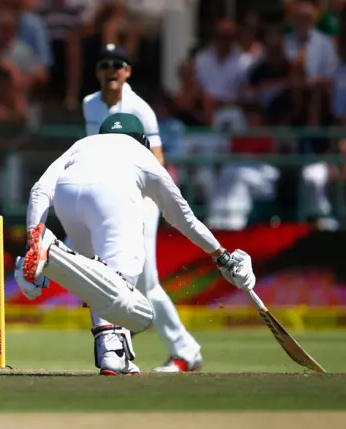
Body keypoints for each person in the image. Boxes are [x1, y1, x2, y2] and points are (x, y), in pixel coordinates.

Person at [14, 113, 256, 375]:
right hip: (110, 197)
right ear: (142, 141)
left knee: (97, 280)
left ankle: (114, 353)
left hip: (66, 196)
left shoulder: (83, 145)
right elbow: (184, 218)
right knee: (129, 295)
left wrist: (33, 236)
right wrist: (221, 255)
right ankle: (54, 253)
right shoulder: (143, 155)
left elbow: (39, 190)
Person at [79, 44, 203, 373]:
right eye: (105, 64)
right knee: (111, 274)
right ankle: (125, 352)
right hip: (106, 199)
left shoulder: (140, 109)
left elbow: (157, 161)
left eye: (118, 64)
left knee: (144, 282)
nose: (111, 70)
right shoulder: (89, 104)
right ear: (97, 72)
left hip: (142, 199)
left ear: (127, 71)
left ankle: (185, 351)